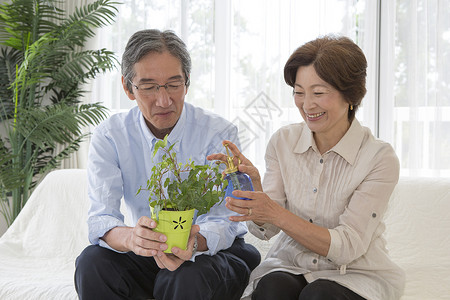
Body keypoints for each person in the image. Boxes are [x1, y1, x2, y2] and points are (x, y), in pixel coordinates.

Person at [208, 35, 405, 300]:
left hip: (355, 273)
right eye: (299, 92)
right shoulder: (282, 142)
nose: (307, 104)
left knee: (319, 294)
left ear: (350, 94)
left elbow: (348, 246)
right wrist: (254, 191)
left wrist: (275, 212)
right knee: (271, 289)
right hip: (290, 264)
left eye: (319, 93)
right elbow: (265, 231)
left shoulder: (379, 158)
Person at [74, 29, 260, 300]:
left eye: (174, 84)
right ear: (128, 87)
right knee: (92, 263)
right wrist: (132, 238)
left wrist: (193, 242)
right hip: (149, 252)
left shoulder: (218, 133)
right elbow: (101, 217)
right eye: (149, 87)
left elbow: (226, 218)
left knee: (184, 276)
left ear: (187, 82)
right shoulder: (111, 135)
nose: (164, 101)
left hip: (210, 253)